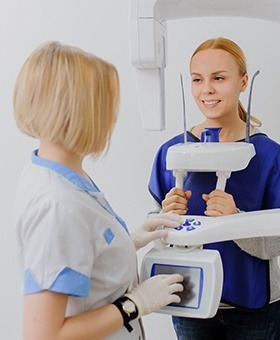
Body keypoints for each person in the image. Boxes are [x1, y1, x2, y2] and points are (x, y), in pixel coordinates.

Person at [12, 41, 192, 340]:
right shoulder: (56, 204)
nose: (111, 119)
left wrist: (126, 242)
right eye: (107, 106)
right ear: (80, 110)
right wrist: (135, 304)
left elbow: (77, 254)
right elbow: (44, 335)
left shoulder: (55, 170)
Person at [148, 37, 280, 339]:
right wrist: (166, 218)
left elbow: (277, 243)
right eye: (197, 79)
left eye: (219, 78)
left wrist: (237, 221)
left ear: (243, 81)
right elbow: (154, 235)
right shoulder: (173, 153)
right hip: (189, 298)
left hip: (254, 307)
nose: (206, 89)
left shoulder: (270, 156)